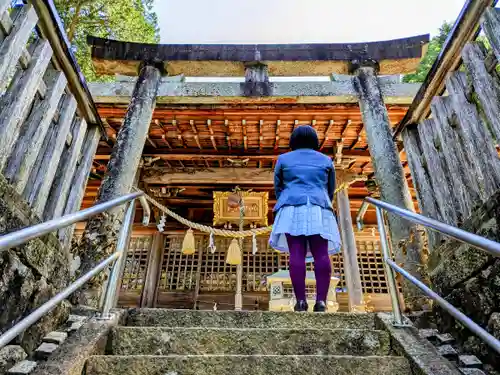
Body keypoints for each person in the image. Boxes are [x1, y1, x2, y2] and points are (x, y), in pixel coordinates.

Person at [270, 125, 341, 312]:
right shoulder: (326, 160)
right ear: (314, 140)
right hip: (319, 206)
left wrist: (285, 199)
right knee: (322, 254)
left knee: (296, 253)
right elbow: (330, 188)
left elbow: (278, 186)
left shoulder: (283, 159)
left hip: (291, 206)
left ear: (293, 140)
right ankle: (321, 302)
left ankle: (300, 301)